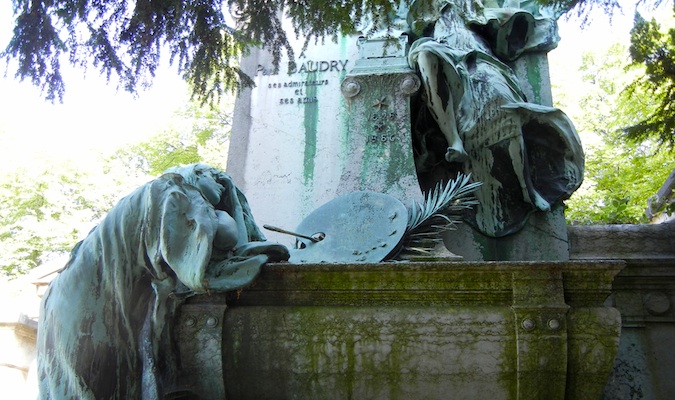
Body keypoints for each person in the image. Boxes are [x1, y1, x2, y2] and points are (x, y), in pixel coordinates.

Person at [37, 164, 288, 399]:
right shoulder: (176, 191)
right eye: (216, 180)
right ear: (196, 175)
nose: (223, 189)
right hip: (85, 306)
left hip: (71, 299)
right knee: (91, 387)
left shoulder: (149, 196)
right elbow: (215, 244)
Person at [408, 0, 584, 237]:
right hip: (441, 52)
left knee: (504, 105)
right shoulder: (422, 11)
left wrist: (511, 17)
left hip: (478, 59)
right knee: (426, 54)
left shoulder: (477, 8)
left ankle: (527, 189)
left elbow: (508, 35)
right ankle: (454, 140)